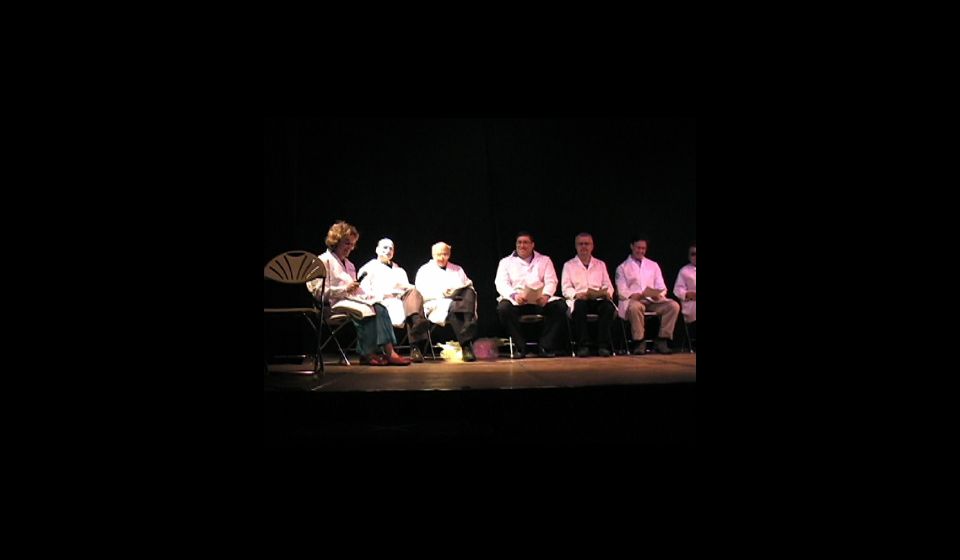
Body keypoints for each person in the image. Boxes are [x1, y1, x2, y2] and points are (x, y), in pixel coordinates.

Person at [305, 221, 411, 366]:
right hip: (331, 304)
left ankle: (389, 352)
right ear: (336, 241)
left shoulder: (349, 265)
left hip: (349, 301)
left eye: (352, 244)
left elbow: (356, 290)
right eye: (346, 243)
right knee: (365, 311)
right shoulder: (321, 261)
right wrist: (344, 289)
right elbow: (317, 292)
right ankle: (367, 353)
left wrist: (370, 296)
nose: (350, 247)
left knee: (379, 307)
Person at [495, 231, 567, 358]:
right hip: (517, 301)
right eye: (519, 242)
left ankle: (545, 345)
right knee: (503, 308)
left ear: (533, 245)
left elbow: (551, 280)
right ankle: (520, 347)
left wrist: (545, 296)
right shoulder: (505, 262)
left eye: (525, 242)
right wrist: (514, 295)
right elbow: (501, 283)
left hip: (539, 300)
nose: (522, 245)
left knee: (560, 306)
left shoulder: (544, 260)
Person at [357, 238, 430, 362]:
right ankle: (415, 341)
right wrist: (387, 293)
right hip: (381, 302)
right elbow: (364, 292)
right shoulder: (368, 268)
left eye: (391, 248)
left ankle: (415, 341)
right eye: (385, 247)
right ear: (377, 250)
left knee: (413, 295)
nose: (388, 250)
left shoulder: (399, 270)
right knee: (412, 310)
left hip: (401, 301)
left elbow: (406, 287)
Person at [615, 234, 679, 355]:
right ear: (632, 246)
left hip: (653, 300)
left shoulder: (653, 265)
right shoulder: (622, 267)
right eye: (638, 248)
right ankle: (639, 341)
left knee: (673, 306)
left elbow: (662, 286)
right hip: (635, 300)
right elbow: (621, 290)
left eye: (643, 248)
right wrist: (633, 295)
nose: (641, 251)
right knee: (635, 307)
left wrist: (659, 294)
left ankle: (662, 339)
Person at [414, 242, 479, 362]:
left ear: (449, 254)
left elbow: (467, 283)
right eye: (438, 254)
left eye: (445, 254)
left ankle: (468, 322)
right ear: (433, 255)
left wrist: (456, 290)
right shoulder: (424, 270)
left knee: (470, 291)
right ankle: (466, 344)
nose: (441, 257)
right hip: (437, 304)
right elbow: (420, 292)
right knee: (455, 308)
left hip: (459, 302)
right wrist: (442, 293)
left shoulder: (457, 269)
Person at [561, 233, 615, 357]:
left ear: (592, 246)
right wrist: (576, 294)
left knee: (608, 307)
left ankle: (603, 345)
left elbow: (608, 285)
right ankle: (583, 345)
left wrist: (607, 293)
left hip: (598, 299)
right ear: (576, 246)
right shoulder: (569, 265)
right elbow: (566, 288)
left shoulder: (600, 264)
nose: (584, 246)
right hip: (581, 300)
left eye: (587, 244)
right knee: (579, 306)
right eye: (581, 244)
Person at [673, 241, 696, 350]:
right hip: (691, 303)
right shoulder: (684, 271)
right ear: (689, 256)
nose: (695, 256)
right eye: (693, 254)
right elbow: (677, 289)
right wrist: (687, 294)